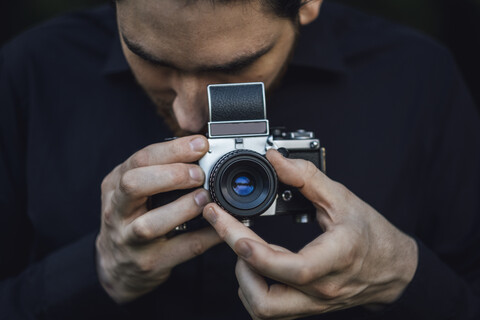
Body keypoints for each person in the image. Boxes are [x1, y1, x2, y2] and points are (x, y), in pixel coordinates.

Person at [1, 0, 479, 319]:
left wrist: (397, 270)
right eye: (150, 58)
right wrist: (97, 269)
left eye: (232, 68)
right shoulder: (32, 72)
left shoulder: (416, 79)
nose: (189, 114)